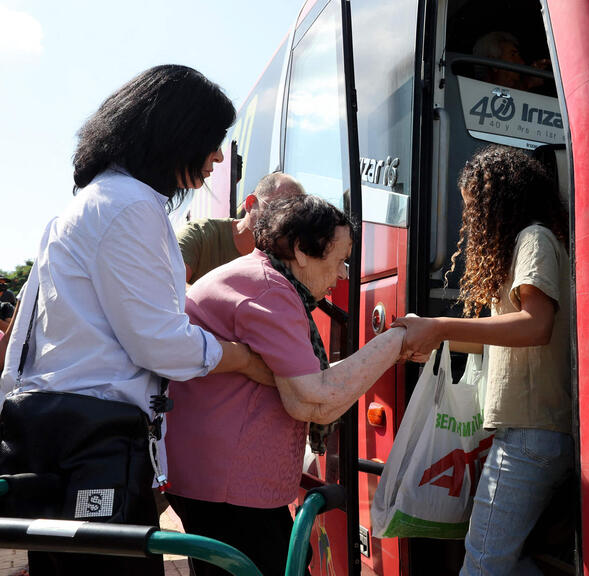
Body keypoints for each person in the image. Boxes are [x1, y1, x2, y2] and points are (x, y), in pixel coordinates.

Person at [0, 65, 273, 576]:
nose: (218, 157)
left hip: (59, 435)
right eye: (213, 142)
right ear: (177, 134)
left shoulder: (93, 201)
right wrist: (241, 358)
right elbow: (161, 344)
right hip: (98, 441)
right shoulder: (131, 207)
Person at [165, 194, 407, 576]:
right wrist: (396, 341)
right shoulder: (271, 290)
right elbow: (313, 399)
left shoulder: (264, 280)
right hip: (229, 490)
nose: (344, 273)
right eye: (340, 258)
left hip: (224, 485)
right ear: (302, 249)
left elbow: (305, 380)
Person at [394, 145, 571, 576]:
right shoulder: (533, 241)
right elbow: (507, 344)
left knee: (483, 563)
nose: (471, 220)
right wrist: (434, 340)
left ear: (500, 201)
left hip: (531, 434)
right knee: (502, 561)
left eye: (475, 208)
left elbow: (535, 326)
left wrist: (442, 327)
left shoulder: (535, 239)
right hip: (532, 432)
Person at [177, 171, 306, 283]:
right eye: (277, 208)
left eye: (293, 215)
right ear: (250, 204)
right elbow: (170, 288)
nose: (283, 220)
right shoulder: (200, 234)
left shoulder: (290, 262)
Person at [472, 31, 549, 91]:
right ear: (494, 63)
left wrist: (528, 82)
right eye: (513, 55)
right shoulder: (473, 95)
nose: (522, 62)